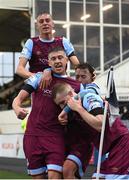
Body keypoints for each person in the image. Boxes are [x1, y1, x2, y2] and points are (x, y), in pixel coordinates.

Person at [12, 46, 80, 179]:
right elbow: (17, 99)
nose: (57, 61)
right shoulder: (39, 78)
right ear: (48, 63)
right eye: (53, 59)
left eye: (60, 57)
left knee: (54, 176)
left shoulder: (76, 85)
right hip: (32, 136)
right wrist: (16, 108)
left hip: (55, 137)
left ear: (67, 60)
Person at [52, 82, 129, 180]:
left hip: (123, 146)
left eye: (62, 102)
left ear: (70, 94)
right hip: (111, 151)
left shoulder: (88, 98)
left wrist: (78, 108)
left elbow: (101, 125)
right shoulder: (72, 112)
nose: (62, 107)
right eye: (59, 104)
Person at [16, 12, 79, 88]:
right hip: (40, 88)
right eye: (41, 21)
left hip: (61, 87)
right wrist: (40, 76)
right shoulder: (31, 43)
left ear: (53, 24)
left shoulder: (63, 41)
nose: (45, 23)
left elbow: (77, 65)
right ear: (37, 26)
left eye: (47, 20)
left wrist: (88, 72)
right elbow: (19, 69)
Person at [62, 63, 100, 179]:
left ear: (92, 77)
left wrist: (65, 110)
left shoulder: (92, 89)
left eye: (83, 76)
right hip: (68, 140)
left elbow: (85, 94)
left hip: (84, 142)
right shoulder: (75, 89)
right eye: (77, 76)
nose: (79, 80)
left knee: (68, 169)